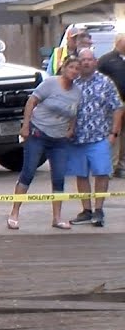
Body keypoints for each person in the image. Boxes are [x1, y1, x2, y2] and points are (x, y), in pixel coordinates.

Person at [8, 56, 81, 230]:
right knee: (28, 173)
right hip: (38, 133)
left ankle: (57, 218)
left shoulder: (77, 91)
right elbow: (32, 101)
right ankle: (14, 213)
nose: (74, 71)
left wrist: (71, 128)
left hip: (59, 139)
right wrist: (25, 125)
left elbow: (74, 112)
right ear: (64, 68)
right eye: (71, 67)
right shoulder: (50, 84)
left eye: (77, 69)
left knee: (58, 177)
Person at [68, 48, 123, 227]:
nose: (86, 63)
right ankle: (86, 210)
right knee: (81, 175)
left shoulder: (105, 82)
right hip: (77, 138)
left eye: (89, 60)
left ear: (95, 61)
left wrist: (114, 133)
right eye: (83, 60)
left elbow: (118, 107)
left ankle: (99, 210)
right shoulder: (72, 82)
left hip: (100, 137)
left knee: (101, 173)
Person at [97, 33, 125, 178]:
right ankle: (110, 166)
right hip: (114, 104)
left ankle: (121, 166)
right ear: (119, 42)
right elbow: (97, 78)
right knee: (115, 133)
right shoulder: (107, 60)